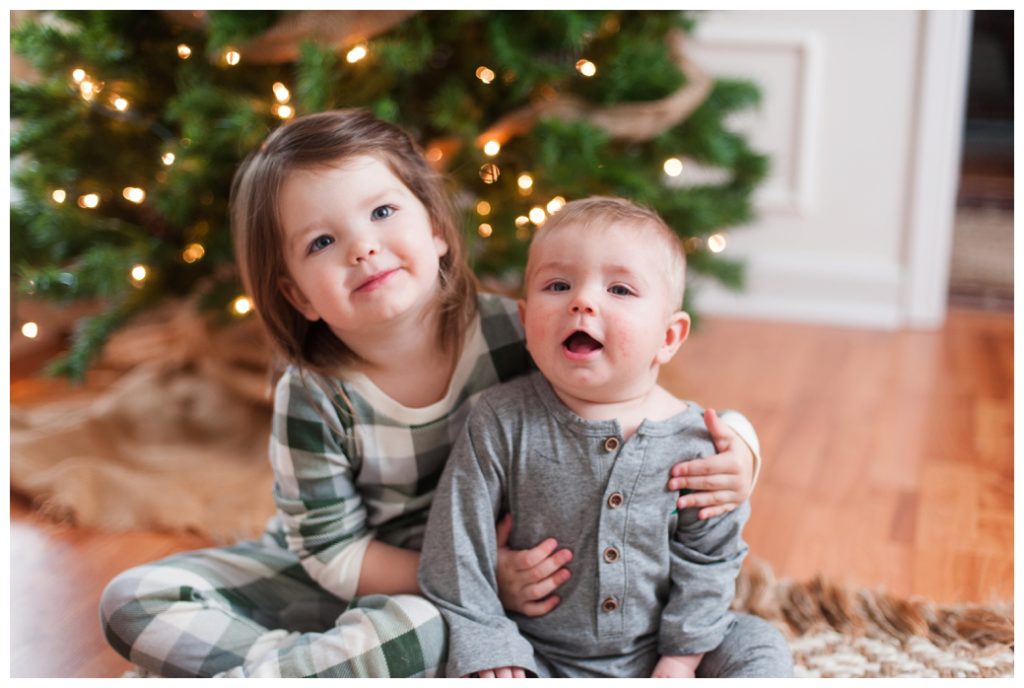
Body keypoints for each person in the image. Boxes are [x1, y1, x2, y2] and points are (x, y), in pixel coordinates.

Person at [99, 110, 762, 678]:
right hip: (371, 581)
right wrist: (481, 578)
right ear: (298, 295)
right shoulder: (314, 396)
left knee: (417, 630)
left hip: (453, 606)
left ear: (438, 230)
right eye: (323, 242)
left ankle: (336, 665)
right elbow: (331, 552)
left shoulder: (519, 330)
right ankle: (319, 666)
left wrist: (743, 452)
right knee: (134, 599)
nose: (363, 248)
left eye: (383, 212)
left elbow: (641, 400)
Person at [419, 197, 793, 678]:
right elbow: (454, 548)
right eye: (558, 285)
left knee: (760, 646)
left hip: (663, 652)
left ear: (669, 337)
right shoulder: (499, 421)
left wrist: (680, 660)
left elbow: (710, 558)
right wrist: (490, 643)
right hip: (536, 652)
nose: (583, 301)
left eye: (619, 289)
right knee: (446, 657)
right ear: (525, 320)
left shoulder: (698, 445)